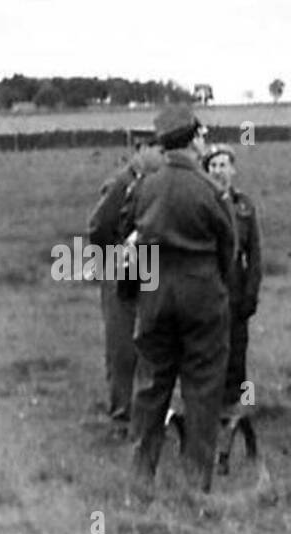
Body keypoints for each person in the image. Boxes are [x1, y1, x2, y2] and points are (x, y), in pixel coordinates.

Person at [125, 105, 236, 494]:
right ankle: (195, 486)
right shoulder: (210, 189)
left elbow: (129, 238)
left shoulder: (145, 187)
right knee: (203, 391)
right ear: (194, 140)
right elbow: (229, 248)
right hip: (202, 292)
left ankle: (139, 481)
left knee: (150, 387)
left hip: (154, 293)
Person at [86, 126, 162, 438]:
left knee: (146, 344)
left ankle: (143, 417)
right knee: (121, 348)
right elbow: (98, 226)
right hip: (119, 271)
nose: (162, 156)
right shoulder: (121, 183)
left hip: (146, 268)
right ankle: (121, 418)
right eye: (158, 150)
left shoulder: (153, 183)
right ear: (141, 149)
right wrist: (115, 260)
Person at [202, 144, 262, 419]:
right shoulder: (201, 201)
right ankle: (206, 409)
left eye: (223, 165)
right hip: (208, 285)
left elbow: (255, 253)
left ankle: (238, 409)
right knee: (208, 350)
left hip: (236, 288)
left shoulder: (244, 205)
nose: (218, 171)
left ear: (232, 169)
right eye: (213, 165)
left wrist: (251, 292)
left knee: (238, 352)